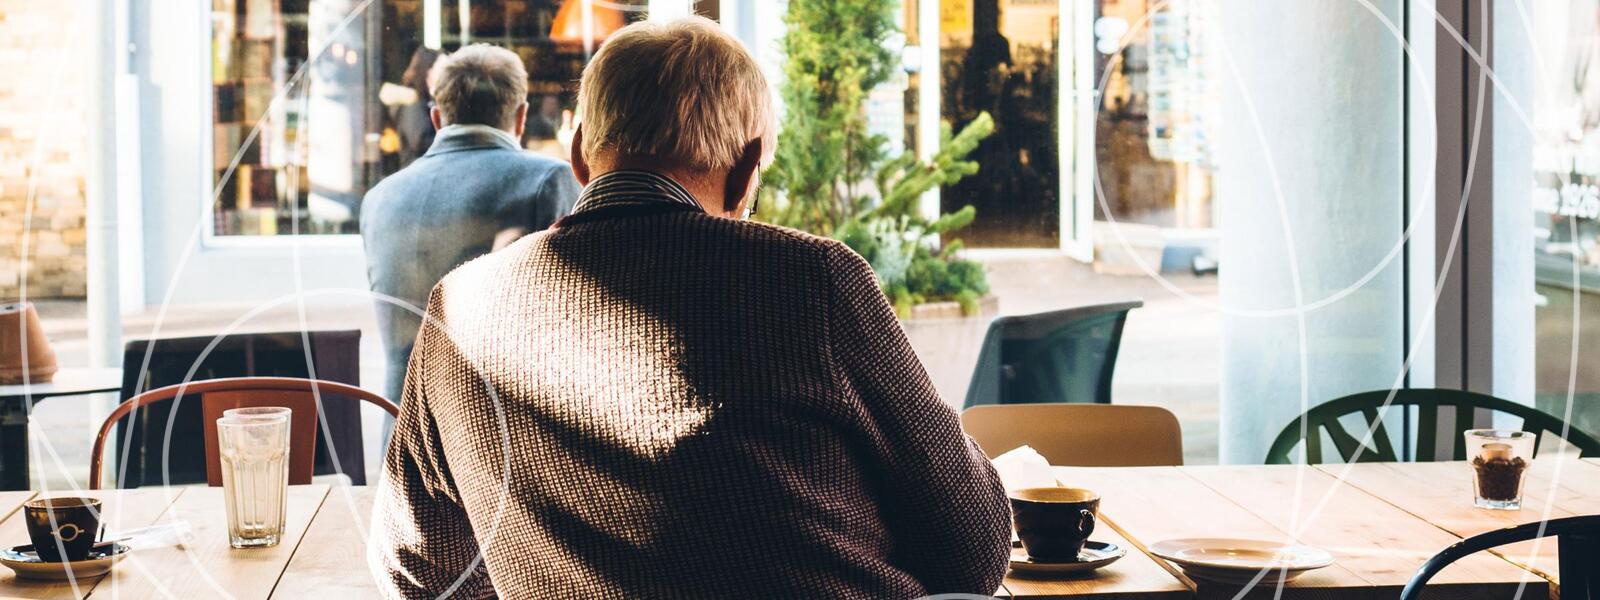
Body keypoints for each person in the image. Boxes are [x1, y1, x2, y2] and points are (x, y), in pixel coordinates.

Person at [369, 17, 1011, 599]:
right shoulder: (814, 282)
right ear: (746, 171)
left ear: (580, 155)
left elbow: (417, 570)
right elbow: (972, 555)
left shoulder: (458, 308)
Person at [361, 44, 580, 407]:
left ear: (436, 119)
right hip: (498, 442)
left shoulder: (379, 198)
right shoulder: (547, 181)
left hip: (400, 440)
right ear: (522, 117)